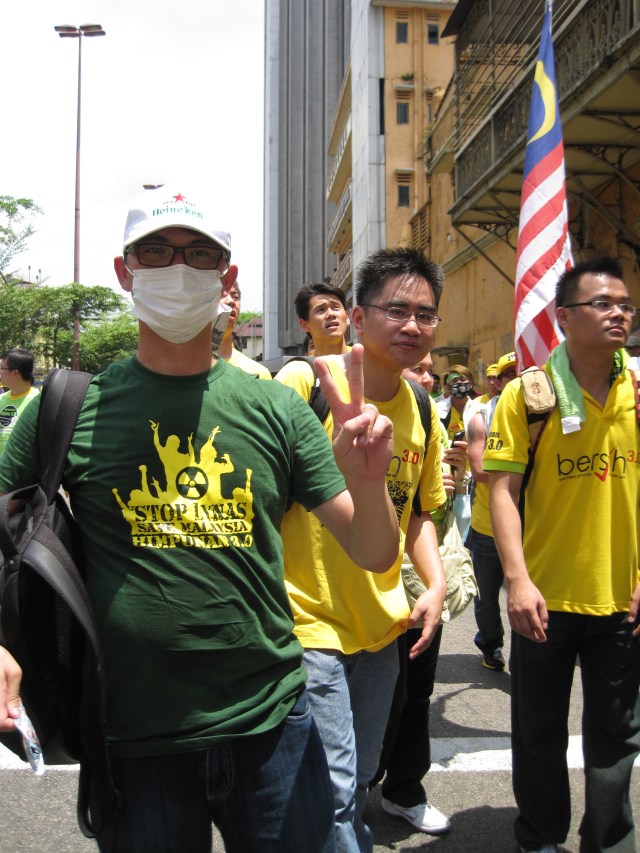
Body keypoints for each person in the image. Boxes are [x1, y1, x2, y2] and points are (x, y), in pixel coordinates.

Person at [0, 185, 402, 853]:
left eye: (199, 254)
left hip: (273, 725)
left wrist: (370, 481)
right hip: (134, 737)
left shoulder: (278, 409)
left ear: (228, 277)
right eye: (155, 253)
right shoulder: (65, 408)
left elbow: (371, 551)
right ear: (125, 273)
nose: (177, 269)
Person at [277, 248, 447, 852]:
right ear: (358, 315)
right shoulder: (305, 383)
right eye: (396, 310)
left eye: (426, 314)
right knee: (335, 787)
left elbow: (419, 511)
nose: (412, 325)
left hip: (382, 630)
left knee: (360, 778)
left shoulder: (423, 408)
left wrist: (434, 584)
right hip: (307, 622)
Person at [485, 255, 640, 853]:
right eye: (602, 304)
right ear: (564, 317)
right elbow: (501, 490)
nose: (618, 314)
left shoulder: (638, 388)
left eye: (625, 304)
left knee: (618, 734)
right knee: (539, 731)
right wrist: (517, 583)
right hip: (544, 598)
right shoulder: (530, 394)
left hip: (621, 600)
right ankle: (542, 835)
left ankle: (610, 840)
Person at [370, 352, 468, 837]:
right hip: (359, 587)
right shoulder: (341, 403)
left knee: (414, 693)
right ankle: (354, 788)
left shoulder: (430, 416)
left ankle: (404, 790)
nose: (427, 377)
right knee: (366, 693)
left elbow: (431, 511)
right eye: (419, 369)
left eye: (432, 369)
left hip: (417, 581)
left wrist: (457, 478)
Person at [467, 351, 517, 671]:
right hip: (487, 527)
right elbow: (480, 469)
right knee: (487, 597)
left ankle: (528, 655)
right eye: (510, 374)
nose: (517, 379)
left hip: (530, 527)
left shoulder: (543, 415)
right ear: (499, 381)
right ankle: (491, 643)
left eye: (522, 372)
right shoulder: (481, 415)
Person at [215, 274, 272, 379]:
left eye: (235, 297)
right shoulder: (180, 367)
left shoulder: (257, 374)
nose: (230, 301)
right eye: (221, 294)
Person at [0, 348, 39, 459]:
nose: (0, 372)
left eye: (2, 368)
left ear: (15, 373)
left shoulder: (38, 401)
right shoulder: (1, 399)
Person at [294, 282, 351, 356]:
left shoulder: (367, 358)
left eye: (336, 307)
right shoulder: (301, 367)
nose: (331, 314)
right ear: (304, 325)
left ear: (347, 317)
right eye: (321, 309)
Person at [436, 365, 476, 442]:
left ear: (470, 384)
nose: (459, 383)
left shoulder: (481, 410)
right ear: (447, 387)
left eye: (463, 379)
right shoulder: (437, 409)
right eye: (454, 381)